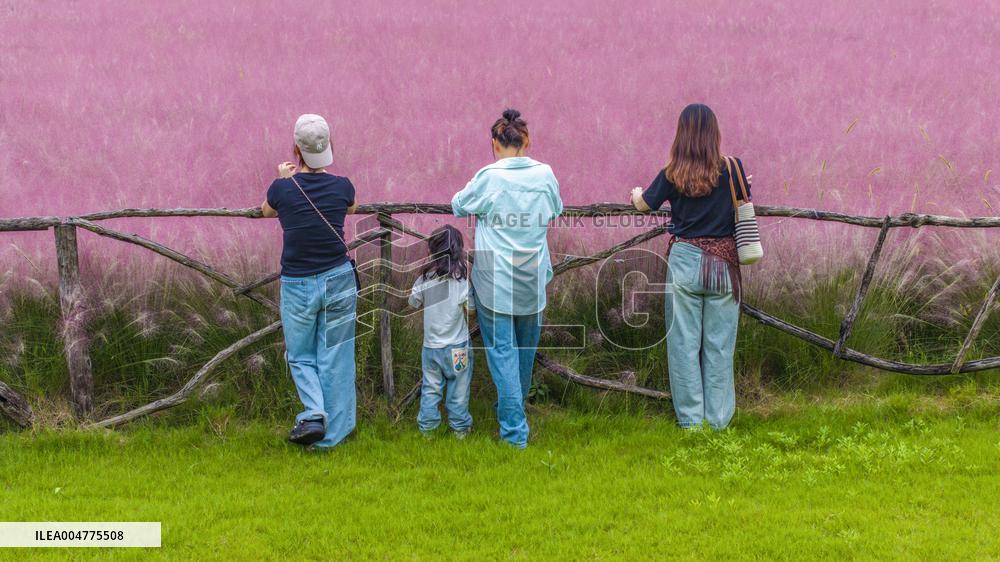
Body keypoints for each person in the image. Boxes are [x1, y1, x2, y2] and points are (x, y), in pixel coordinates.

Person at [629, 103, 751, 430]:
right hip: (723, 264)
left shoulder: (673, 173)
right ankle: (718, 421)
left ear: (681, 134)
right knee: (719, 345)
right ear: (714, 133)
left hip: (686, 261)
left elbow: (644, 204)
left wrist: (636, 193)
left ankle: (691, 422)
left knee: (683, 345)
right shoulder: (732, 168)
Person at [451, 109, 563, 449]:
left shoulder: (489, 175)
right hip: (532, 275)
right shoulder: (544, 174)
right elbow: (556, 209)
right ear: (526, 141)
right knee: (524, 352)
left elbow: (459, 205)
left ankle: (514, 432)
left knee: (502, 353)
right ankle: (512, 412)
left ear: (494, 144)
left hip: (495, 279)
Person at [261, 113, 359, 449]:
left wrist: (285, 178)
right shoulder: (343, 186)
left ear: (296, 150)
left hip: (298, 282)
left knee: (301, 355)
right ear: (329, 147)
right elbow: (351, 206)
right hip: (338, 278)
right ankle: (334, 434)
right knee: (337, 355)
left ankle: (315, 413)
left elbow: (266, 211)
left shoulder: (282, 189)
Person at [408, 225, 474, 438]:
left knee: (431, 389)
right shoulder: (461, 280)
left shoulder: (424, 279)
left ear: (432, 250)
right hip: (458, 348)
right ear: (458, 250)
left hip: (431, 348)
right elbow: (471, 309)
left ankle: (427, 430)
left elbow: (413, 303)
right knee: (459, 390)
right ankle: (460, 429)